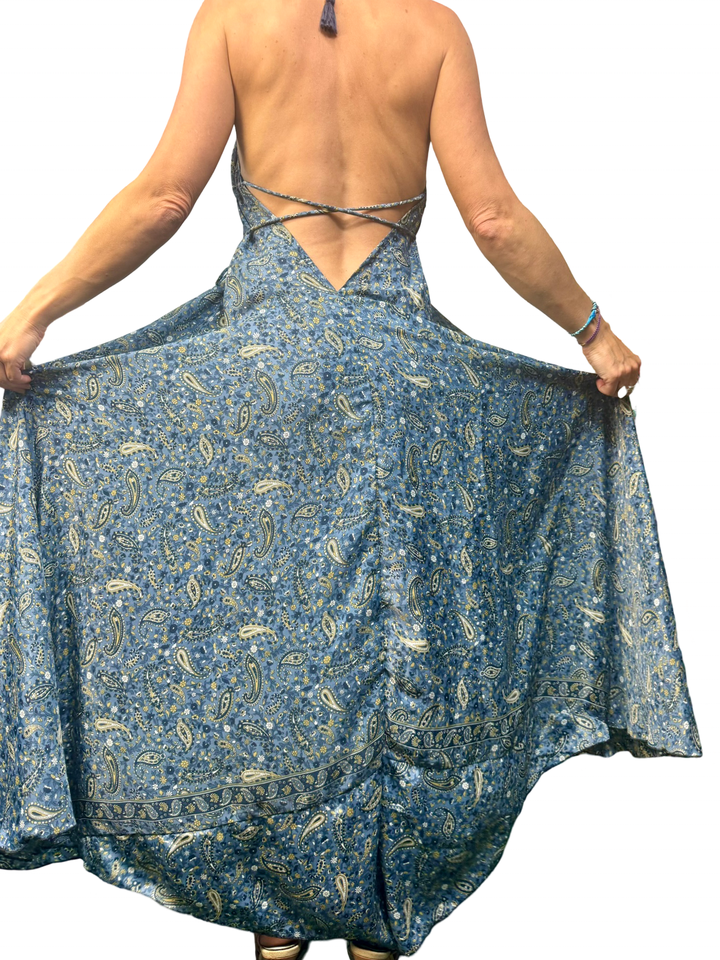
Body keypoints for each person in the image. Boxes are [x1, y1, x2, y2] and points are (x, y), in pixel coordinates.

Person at [0, 3, 701, 960]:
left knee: (274, 650)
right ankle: (380, 920)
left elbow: (164, 197)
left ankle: (278, 924)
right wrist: (594, 333)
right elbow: (493, 218)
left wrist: (31, 316)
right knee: (404, 643)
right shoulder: (432, 30)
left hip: (267, 382)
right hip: (402, 381)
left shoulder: (234, 19)